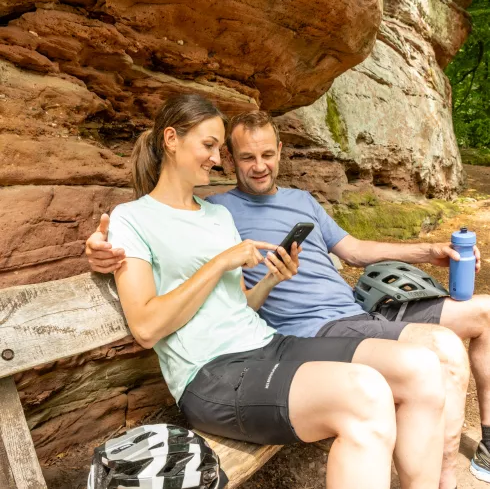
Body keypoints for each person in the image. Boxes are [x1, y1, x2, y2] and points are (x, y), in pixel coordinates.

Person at [89, 94, 448, 488]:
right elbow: (145, 327)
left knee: (421, 368)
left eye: (218, 148)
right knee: (365, 394)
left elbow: (239, 304)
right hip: (210, 375)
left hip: (268, 345)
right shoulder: (133, 218)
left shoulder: (218, 215)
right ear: (171, 139)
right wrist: (220, 262)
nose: (216, 158)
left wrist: (273, 279)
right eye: (209, 146)